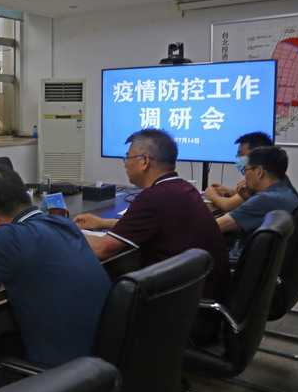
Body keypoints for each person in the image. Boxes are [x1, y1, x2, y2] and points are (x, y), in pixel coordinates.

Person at [0, 164, 111, 368]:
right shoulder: (63, 224)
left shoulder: (6, 239)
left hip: (63, 376)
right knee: (4, 343)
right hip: (103, 359)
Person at [74, 129, 229, 303]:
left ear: (144, 161)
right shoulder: (183, 188)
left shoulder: (154, 197)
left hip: (178, 305)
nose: (125, 165)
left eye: (128, 158)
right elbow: (158, 224)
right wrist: (102, 223)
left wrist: (67, 229)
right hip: (202, 295)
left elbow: (102, 249)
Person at [216, 146, 298, 259]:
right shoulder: (287, 191)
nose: (245, 176)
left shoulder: (265, 199)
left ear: (259, 172)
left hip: (238, 263)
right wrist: (250, 199)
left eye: (245, 170)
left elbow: (214, 226)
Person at [204, 132, 298, 212]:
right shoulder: (278, 178)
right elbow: (246, 196)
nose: (238, 158)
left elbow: (226, 206)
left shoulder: (266, 194)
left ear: (256, 154)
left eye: (241, 155)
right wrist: (228, 191)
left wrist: (211, 195)